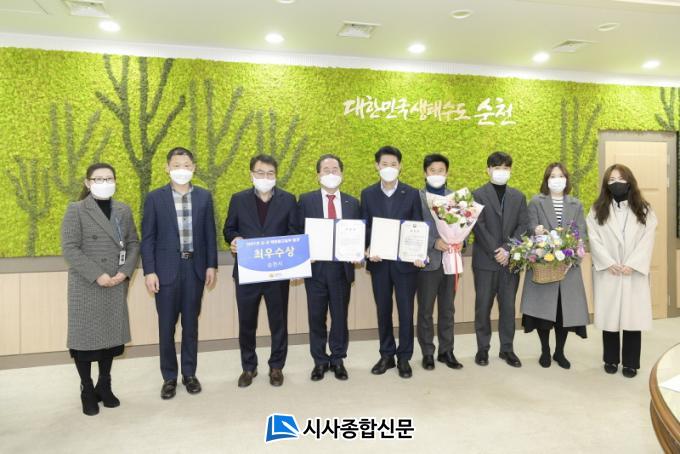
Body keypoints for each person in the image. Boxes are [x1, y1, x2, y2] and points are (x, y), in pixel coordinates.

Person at [61, 163, 140, 416]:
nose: (105, 183)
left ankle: (104, 384)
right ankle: (87, 389)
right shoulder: (76, 210)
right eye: (98, 179)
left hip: (116, 281)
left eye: (109, 178)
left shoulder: (123, 210)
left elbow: (133, 243)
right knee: (85, 341)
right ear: (87, 182)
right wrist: (98, 275)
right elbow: (70, 248)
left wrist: (124, 272)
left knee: (110, 339)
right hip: (87, 285)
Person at [141, 147, 218, 400]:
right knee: (166, 327)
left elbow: (209, 234)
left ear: (193, 168)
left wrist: (211, 265)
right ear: (167, 168)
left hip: (194, 269)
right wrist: (149, 271)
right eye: (176, 165)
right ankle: (169, 377)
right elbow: (148, 238)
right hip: (165, 272)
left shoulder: (204, 197)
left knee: (191, 325)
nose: (181, 170)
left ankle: (189, 374)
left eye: (186, 165)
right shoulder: (155, 198)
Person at [224, 154, 297, 387]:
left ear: (276, 175)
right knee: (247, 322)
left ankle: (276, 367)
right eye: (260, 173)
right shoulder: (238, 199)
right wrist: (234, 239)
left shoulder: (288, 199)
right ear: (251, 174)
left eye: (270, 173)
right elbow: (229, 229)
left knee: (279, 322)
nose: (265, 177)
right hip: (248, 271)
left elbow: (294, 231)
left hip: (277, 273)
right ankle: (249, 367)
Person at [586, 164, 657, 378]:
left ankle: (631, 363)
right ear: (606, 184)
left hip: (633, 272)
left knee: (632, 319)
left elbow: (647, 239)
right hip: (609, 271)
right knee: (610, 318)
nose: (616, 183)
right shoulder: (597, 209)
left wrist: (632, 264)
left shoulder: (644, 209)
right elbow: (594, 239)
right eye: (611, 180)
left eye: (620, 178)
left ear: (629, 181)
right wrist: (609, 262)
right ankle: (610, 359)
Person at [361, 145, 424, 379]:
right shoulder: (367, 194)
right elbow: (365, 225)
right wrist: (368, 247)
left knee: (406, 311)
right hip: (379, 263)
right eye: (384, 164)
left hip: (405, 265)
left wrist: (418, 252)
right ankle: (386, 355)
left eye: (393, 164)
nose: (389, 168)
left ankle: (404, 357)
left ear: (400, 166)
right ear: (377, 166)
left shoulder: (412, 193)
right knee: (383, 310)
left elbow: (417, 225)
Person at [297, 154, 361, 381]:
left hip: (341, 270)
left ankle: (338, 358)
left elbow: (359, 234)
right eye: (326, 170)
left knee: (340, 316)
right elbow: (297, 231)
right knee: (316, 317)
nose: (331, 174)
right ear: (318, 175)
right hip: (316, 269)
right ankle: (319, 361)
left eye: (335, 169)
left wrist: (358, 252)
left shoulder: (352, 203)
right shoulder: (306, 200)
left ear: (341, 174)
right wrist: (304, 255)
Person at [520, 163, 589, 369]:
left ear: (566, 179)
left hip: (568, 267)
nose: (557, 179)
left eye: (560, 176)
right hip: (544, 264)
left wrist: (573, 256)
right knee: (543, 313)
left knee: (563, 313)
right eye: (552, 176)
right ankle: (545, 350)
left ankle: (560, 351)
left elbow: (581, 234)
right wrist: (536, 231)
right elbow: (529, 228)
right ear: (546, 180)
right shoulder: (536, 201)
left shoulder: (576, 204)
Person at [472, 151, 529, 368]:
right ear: (488, 170)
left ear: (510, 170)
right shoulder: (477, 195)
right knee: (483, 307)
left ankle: (507, 349)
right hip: (485, 262)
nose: (501, 171)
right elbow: (478, 226)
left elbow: (523, 225)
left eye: (505, 168)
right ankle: (482, 349)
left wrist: (507, 249)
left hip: (510, 261)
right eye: (497, 168)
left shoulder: (518, 196)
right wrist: (497, 251)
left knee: (508, 308)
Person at [417, 153, 463, 371]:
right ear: (425, 173)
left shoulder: (456, 199)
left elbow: (465, 227)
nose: (437, 174)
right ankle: (427, 352)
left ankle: (447, 351)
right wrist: (434, 242)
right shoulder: (417, 198)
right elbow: (412, 229)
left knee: (448, 309)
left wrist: (461, 241)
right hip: (428, 262)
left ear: (447, 173)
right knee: (425, 310)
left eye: (441, 170)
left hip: (451, 260)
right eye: (432, 170)